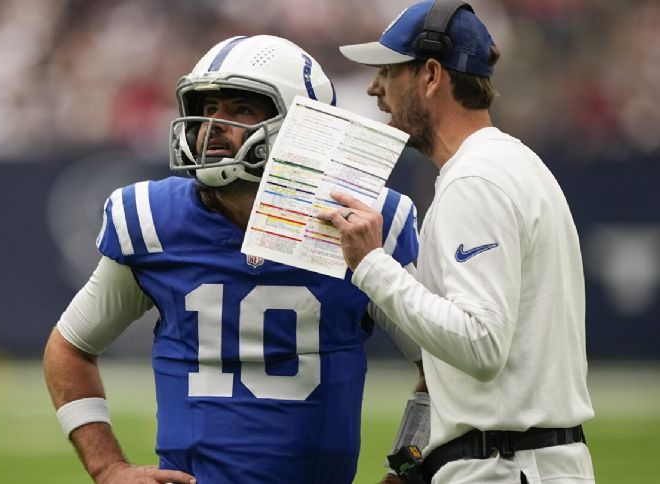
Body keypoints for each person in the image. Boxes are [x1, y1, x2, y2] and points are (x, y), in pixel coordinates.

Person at [43, 35, 425, 484]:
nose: (212, 126)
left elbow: (443, 367)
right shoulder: (153, 221)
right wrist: (108, 467)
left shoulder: (364, 223)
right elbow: (69, 348)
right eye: (206, 109)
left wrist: (405, 471)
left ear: (302, 125)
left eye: (241, 109)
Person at [322, 1, 596, 483]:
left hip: (506, 465)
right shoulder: (507, 164)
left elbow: (480, 345)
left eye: (388, 71)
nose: (374, 89)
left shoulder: (476, 179)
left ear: (430, 76)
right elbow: (450, 368)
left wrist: (371, 263)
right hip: (520, 461)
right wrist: (408, 461)